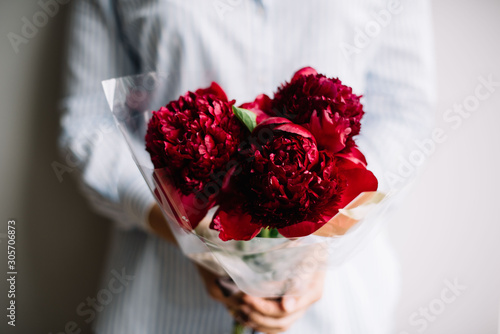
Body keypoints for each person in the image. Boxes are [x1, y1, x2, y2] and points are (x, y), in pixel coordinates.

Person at [59, 0, 435, 333]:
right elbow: (89, 126)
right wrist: (188, 234)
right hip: (161, 296)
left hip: (338, 300)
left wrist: (318, 243)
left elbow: (404, 113)